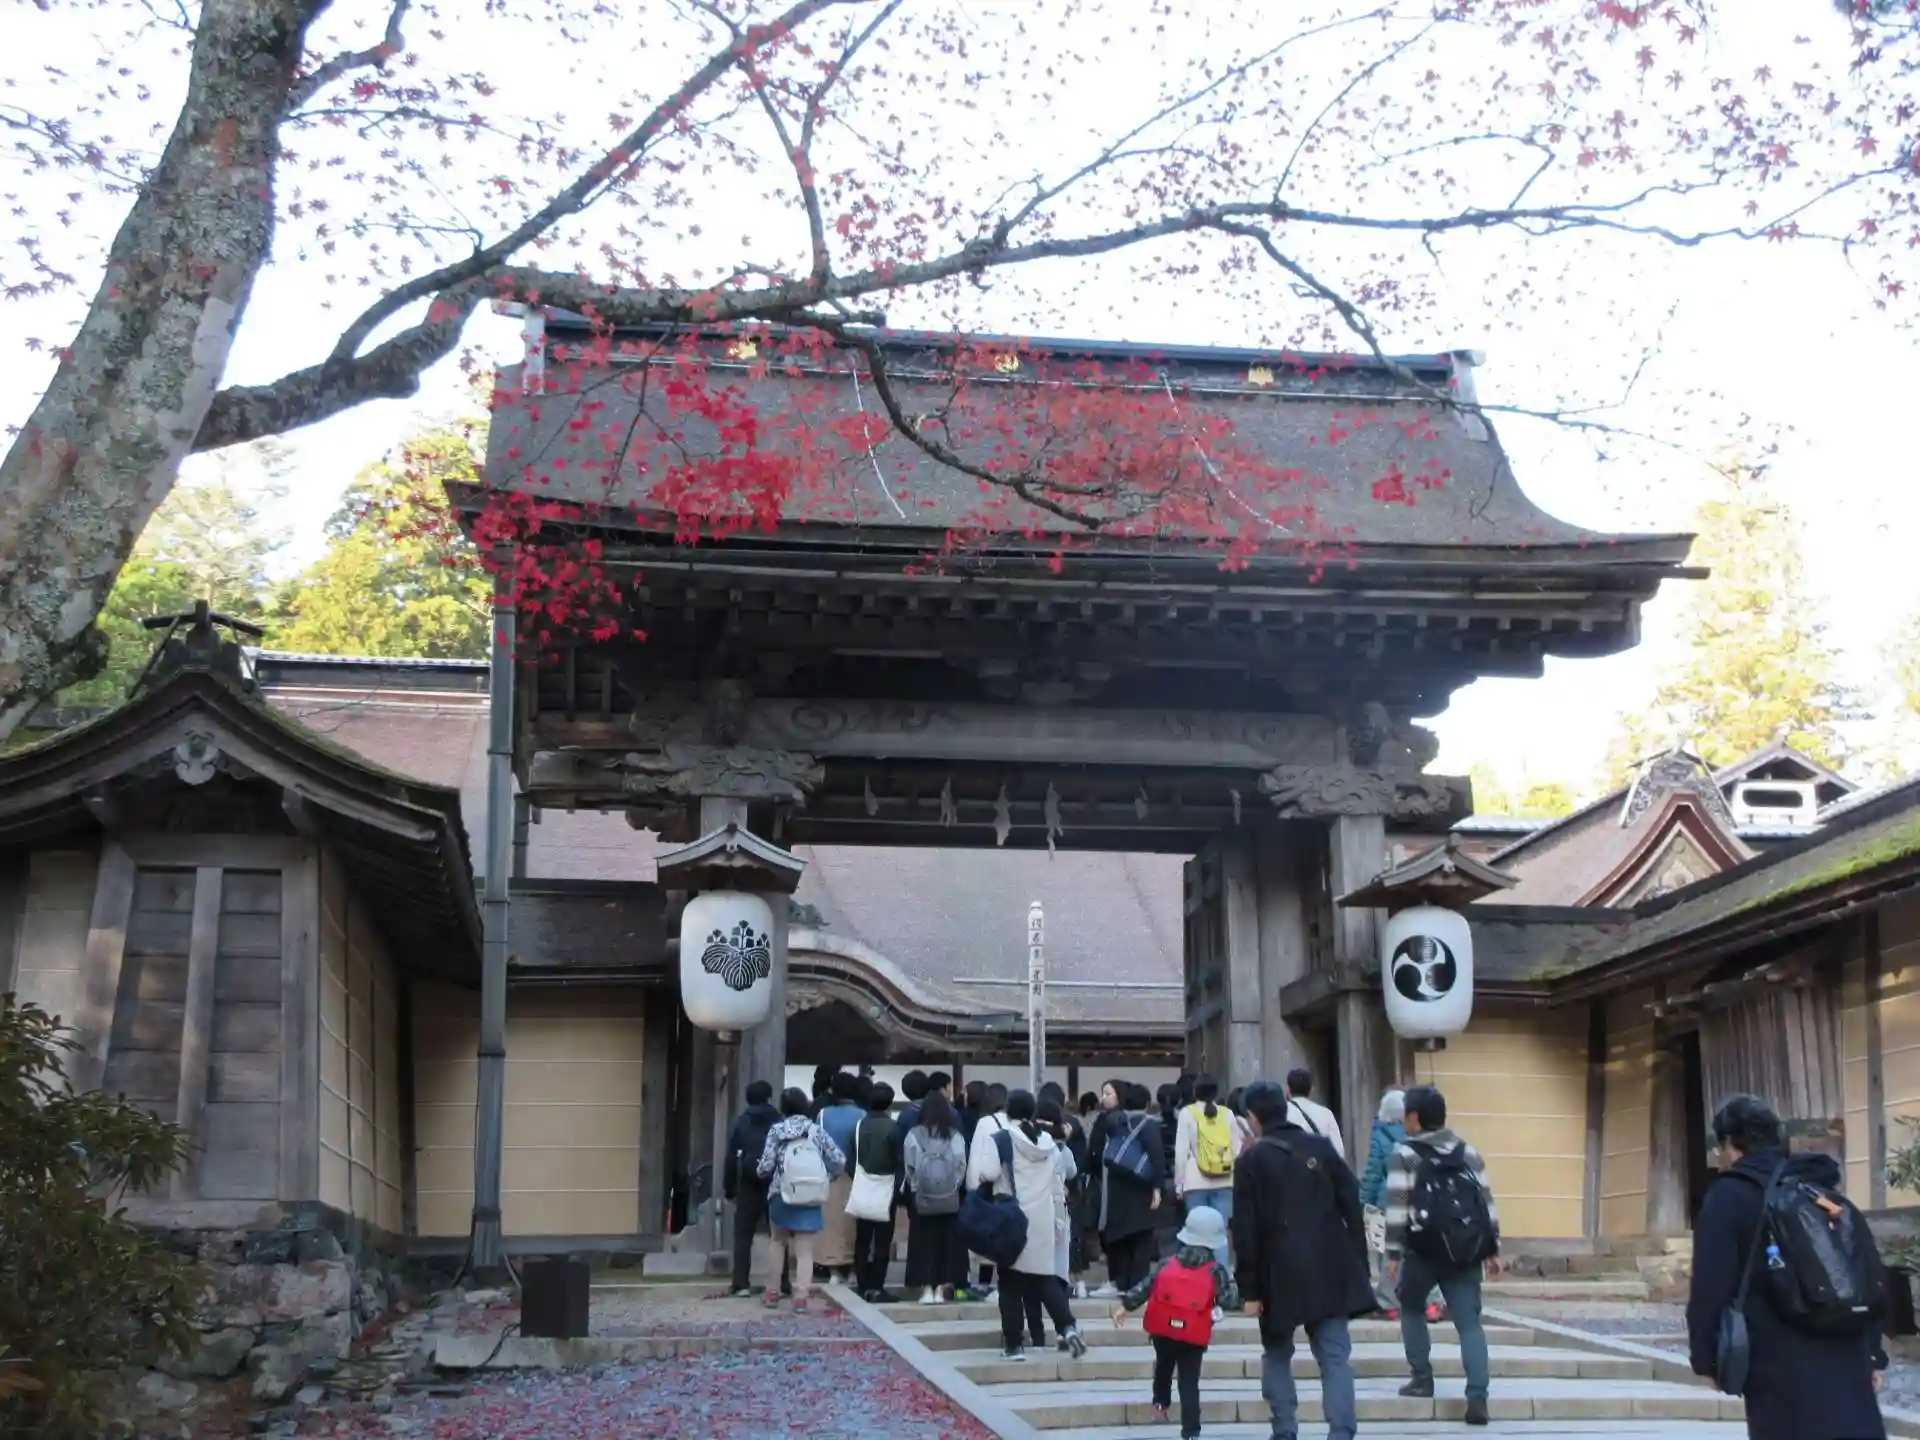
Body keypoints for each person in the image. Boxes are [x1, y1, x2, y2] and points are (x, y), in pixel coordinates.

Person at [1686, 1093, 1888, 1440]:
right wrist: (1872, 1352)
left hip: (1778, 1360)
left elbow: (1711, 1284)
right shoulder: (1820, 1190)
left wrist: (1706, 1357)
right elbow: (1864, 1272)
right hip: (1847, 1351)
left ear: (1731, 1145)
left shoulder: (1728, 1196)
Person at [1232, 1078, 1372, 1440]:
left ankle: (1284, 1429)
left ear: (1253, 1116)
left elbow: (1245, 1230)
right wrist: (1359, 1264)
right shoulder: (1321, 1148)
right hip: (1330, 1264)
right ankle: (1341, 1431)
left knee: (1277, 1353)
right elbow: (1352, 1205)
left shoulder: (1251, 1160)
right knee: (1335, 1357)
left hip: (1277, 1271)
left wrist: (1249, 1290)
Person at [1384, 1083, 1499, 1427]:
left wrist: (1393, 1253)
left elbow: (1397, 1208)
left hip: (1424, 1249)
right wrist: (1492, 1248)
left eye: (1406, 1114)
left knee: (1410, 1305)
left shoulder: (1404, 1154)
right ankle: (1477, 1397)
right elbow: (1486, 1202)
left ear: (1415, 1118)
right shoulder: (1468, 1152)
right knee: (1469, 1323)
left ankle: (1422, 1378)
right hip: (1466, 1249)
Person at [971, 1087, 1087, 1362]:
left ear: (1007, 1110)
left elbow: (988, 1173)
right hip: (1043, 1217)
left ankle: (1014, 1346)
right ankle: (1068, 1327)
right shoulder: (1047, 1141)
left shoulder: (1002, 1139)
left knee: (1010, 1284)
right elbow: (1056, 1181)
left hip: (1013, 1218)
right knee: (1045, 1278)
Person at [1112, 1205, 1239, 1440]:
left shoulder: (1167, 1263)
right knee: (1189, 1381)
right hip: (1193, 1333)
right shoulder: (1216, 1271)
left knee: (1163, 1365)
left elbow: (1146, 1286)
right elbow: (1228, 1300)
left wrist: (1125, 1306)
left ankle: (1160, 1404)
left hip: (1163, 1329)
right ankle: (1191, 1431)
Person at [755, 1086, 846, 1312]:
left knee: (777, 1242)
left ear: (783, 1108)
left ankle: (772, 1293)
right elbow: (839, 1159)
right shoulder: (816, 1131)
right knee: (805, 1250)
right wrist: (827, 1177)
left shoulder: (777, 1130)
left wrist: (761, 1172)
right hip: (810, 1193)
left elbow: (766, 1166)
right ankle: (801, 1297)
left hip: (781, 1192)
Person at [1088, 1078, 1166, 1296]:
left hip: (1116, 1184)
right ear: (1147, 1103)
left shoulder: (1111, 1121)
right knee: (1141, 1236)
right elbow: (1157, 1156)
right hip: (1141, 1186)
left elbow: (1095, 1152)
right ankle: (1138, 1285)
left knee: (1118, 1235)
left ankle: (1120, 1282)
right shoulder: (1147, 1124)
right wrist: (1158, 1187)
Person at [1173, 1074, 1246, 1263]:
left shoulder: (1187, 1113)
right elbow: (1237, 1149)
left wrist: (1179, 1184)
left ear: (1194, 1091)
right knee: (1220, 1232)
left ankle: (1198, 1274)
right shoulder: (1227, 1114)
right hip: (1225, 1180)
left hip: (1195, 1181)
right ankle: (1221, 1275)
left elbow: (1181, 1152)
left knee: (1196, 1234)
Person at [904, 1089, 968, 1303]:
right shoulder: (955, 1136)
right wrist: (951, 1187)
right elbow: (961, 1166)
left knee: (923, 1242)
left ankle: (926, 1290)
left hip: (922, 1197)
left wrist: (917, 1187)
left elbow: (909, 1167)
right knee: (946, 1243)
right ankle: (942, 1289)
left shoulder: (913, 1135)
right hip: (949, 1198)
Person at [721, 1078, 783, 1298]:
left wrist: (729, 1189)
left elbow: (731, 1158)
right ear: (769, 1097)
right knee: (779, 1235)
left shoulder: (741, 1122)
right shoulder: (779, 1121)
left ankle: (741, 1283)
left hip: (749, 1182)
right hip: (775, 1182)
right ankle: (782, 1282)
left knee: (743, 1234)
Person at [851, 1081, 901, 1302]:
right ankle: (877, 1286)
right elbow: (900, 1160)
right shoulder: (894, 1128)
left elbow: (850, 1158)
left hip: (862, 1184)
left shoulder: (859, 1125)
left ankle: (862, 1283)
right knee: (882, 1240)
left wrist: (859, 1176)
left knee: (862, 1238)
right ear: (889, 1104)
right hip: (886, 1187)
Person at [1360, 1088, 1407, 1317]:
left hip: (1384, 1201)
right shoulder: (1414, 1135)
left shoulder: (1380, 1135)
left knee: (1385, 1252)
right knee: (1408, 1252)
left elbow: (1373, 1173)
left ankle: (1389, 1303)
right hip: (1411, 1201)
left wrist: (1364, 1202)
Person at [816, 1070, 865, 1283]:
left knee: (831, 1224)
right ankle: (853, 1270)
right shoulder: (862, 1115)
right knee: (853, 1225)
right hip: (856, 1176)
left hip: (830, 1176)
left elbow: (817, 1145)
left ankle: (834, 1271)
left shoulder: (823, 1115)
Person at [966, 1083, 1012, 1295]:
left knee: (986, 1237)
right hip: (1009, 1190)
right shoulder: (1013, 1122)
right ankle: (1005, 1283)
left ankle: (983, 1283)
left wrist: (972, 1187)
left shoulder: (985, 1122)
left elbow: (976, 1157)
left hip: (987, 1188)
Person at [1284, 1066, 1346, 1162]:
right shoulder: (1325, 1114)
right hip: (1318, 1169)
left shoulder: (1281, 1114)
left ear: (1288, 1089)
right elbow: (1338, 1152)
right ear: (1311, 1090)